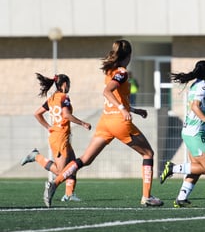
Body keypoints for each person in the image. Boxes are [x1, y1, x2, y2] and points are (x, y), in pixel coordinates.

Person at [43, 39, 163, 208]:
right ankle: (147, 196)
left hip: (105, 122)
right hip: (119, 123)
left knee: (85, 159)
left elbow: (117, 96)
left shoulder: (110, 71)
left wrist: (134, 110)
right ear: (128, 55)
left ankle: (54, 183)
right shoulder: (122, 72)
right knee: (148, 153)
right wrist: (123, 110)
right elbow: (107, 92)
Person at [21, 73, 92, 202]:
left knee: (73, 165)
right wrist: (83, 123)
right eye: (68, 84)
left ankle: (69, 194)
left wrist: (48, 127)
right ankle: (36, 156)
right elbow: (66, 115)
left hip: (60, 136)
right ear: (64, 84)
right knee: (61, 172)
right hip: (60, 138)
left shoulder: (52, 98)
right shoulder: (64, 97)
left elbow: (37, 114)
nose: (69, 87)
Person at [159, 60, 205, 208]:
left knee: (195, 167)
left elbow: (199, 103)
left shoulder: (196, 85)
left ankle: (181, 198)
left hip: (190, 132)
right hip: (194, 133)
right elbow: (194, 106)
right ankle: (172, 168)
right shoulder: (202, 85)